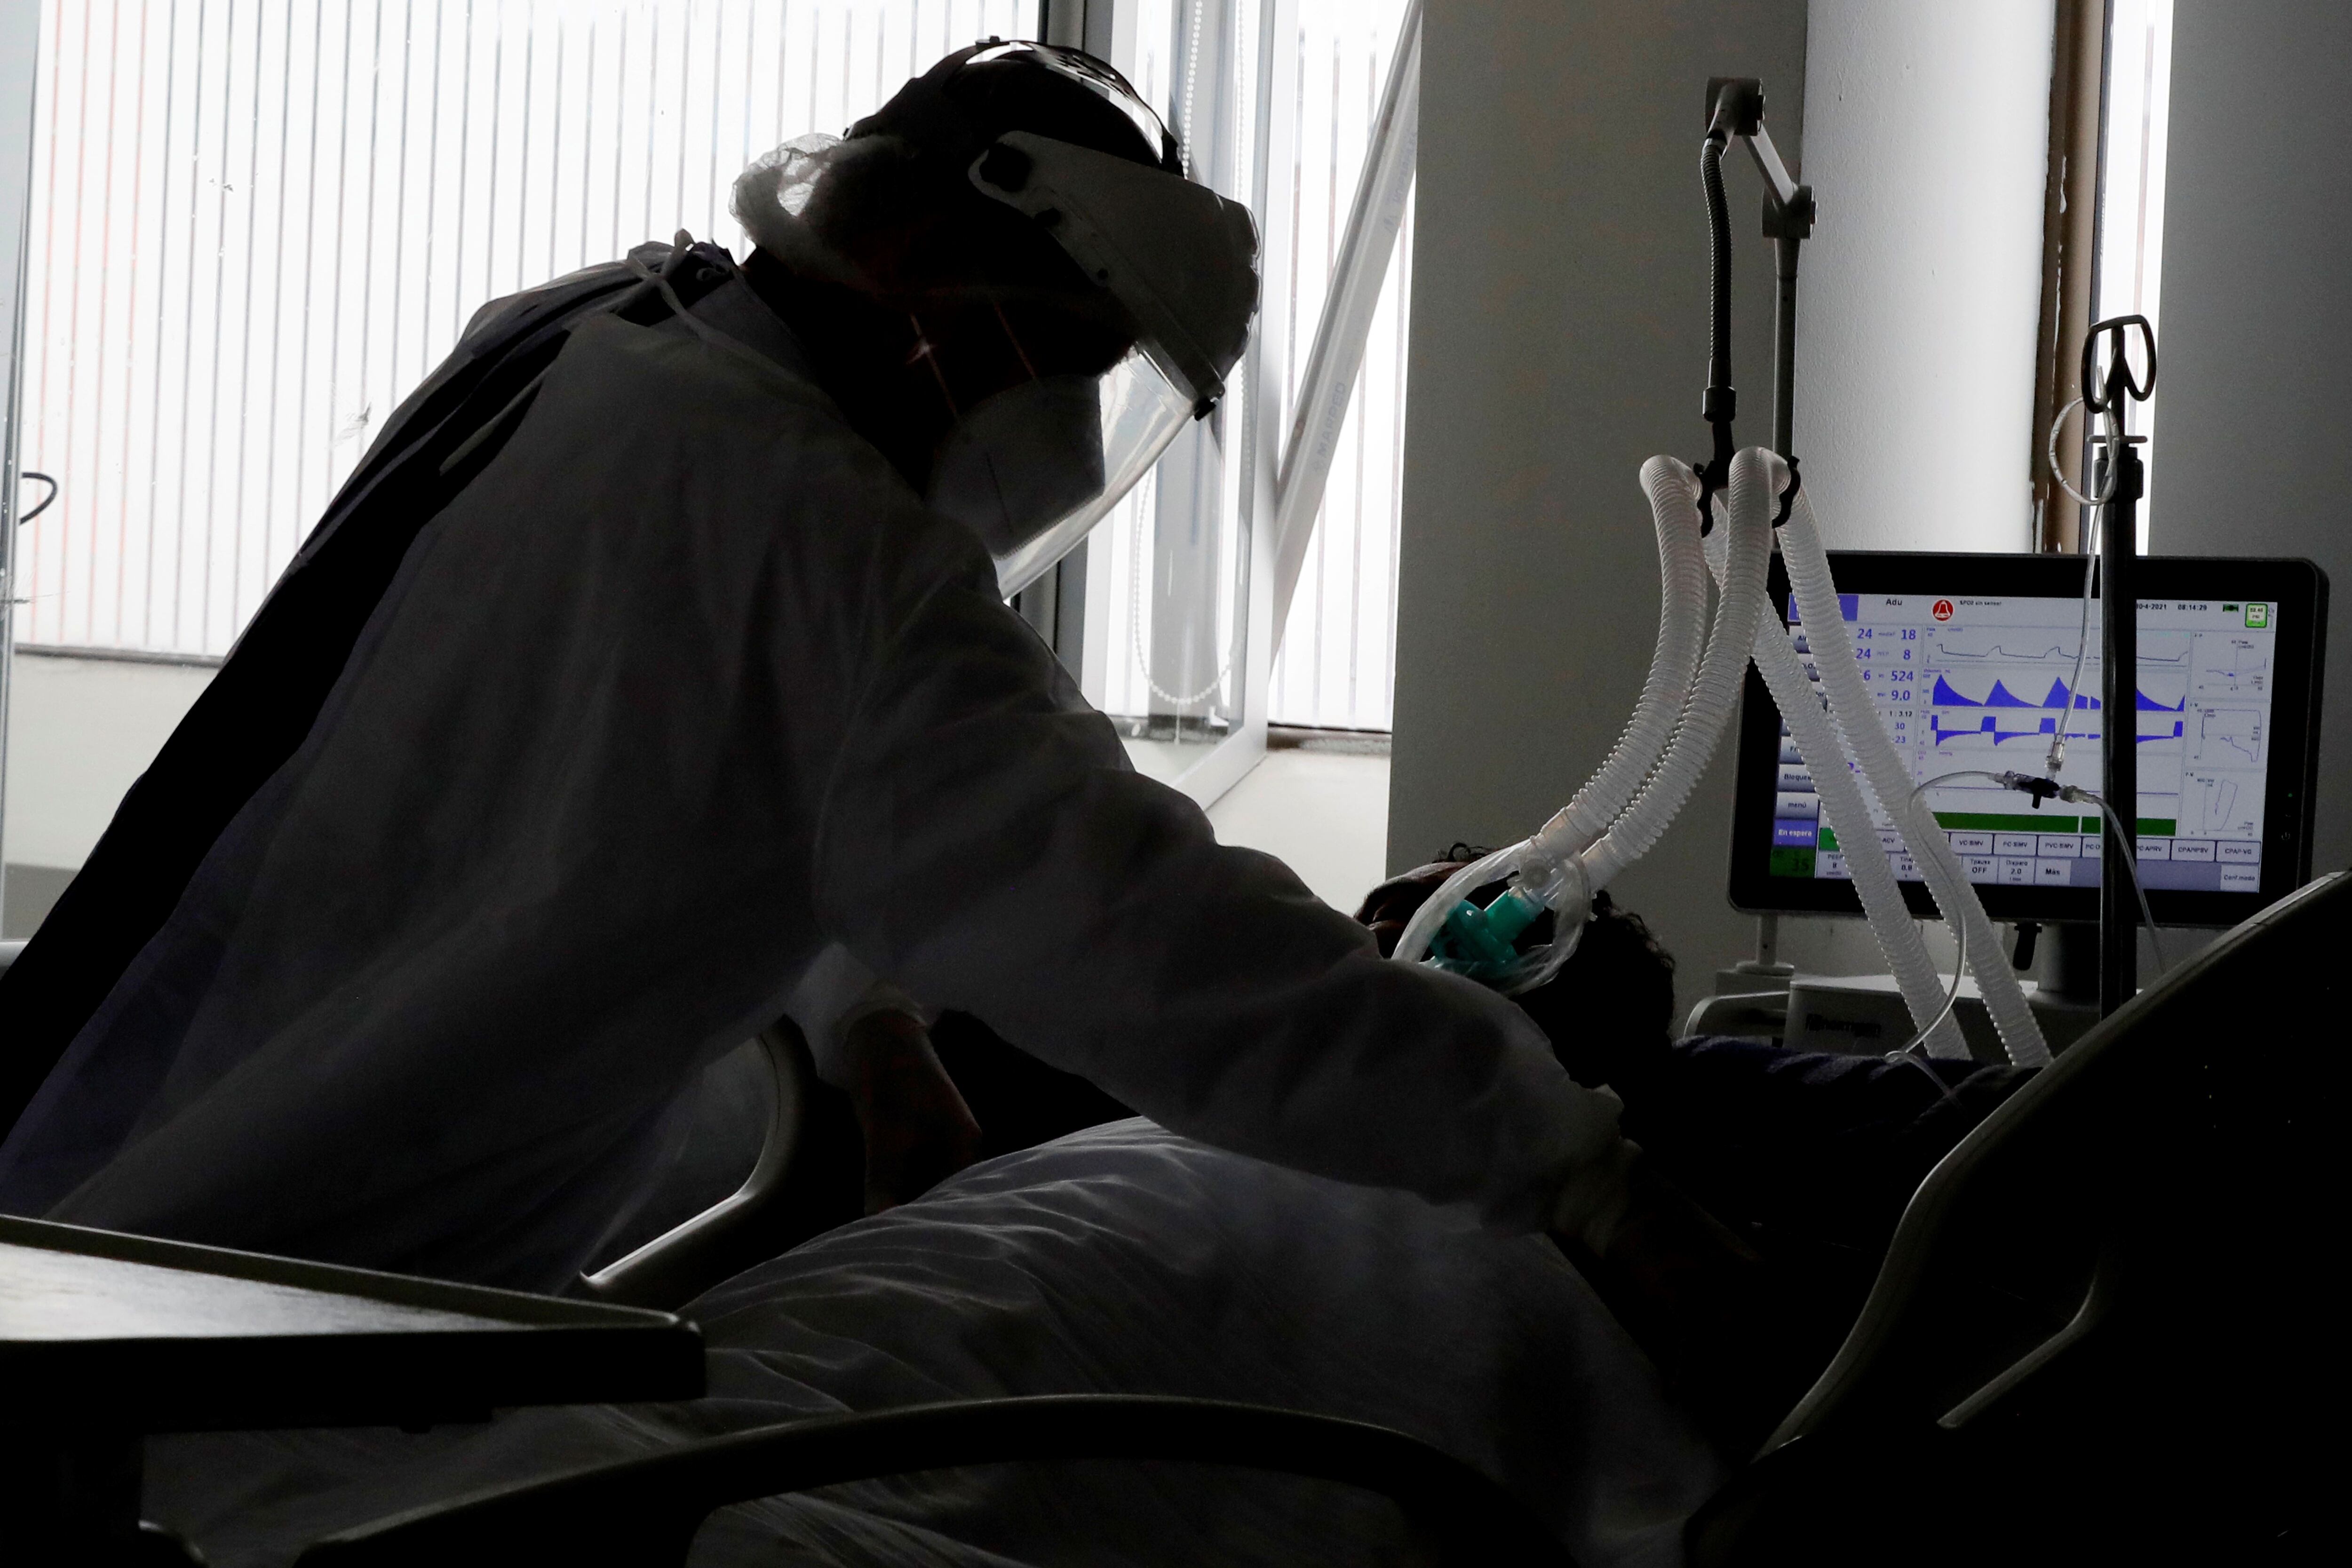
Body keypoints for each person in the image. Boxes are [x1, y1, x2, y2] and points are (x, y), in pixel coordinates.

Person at [0, 42, 1649, 1299]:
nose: (1068, 440)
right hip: (244, 1316)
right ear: (929, 266)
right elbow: (1173, 952)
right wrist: (1573, 1169)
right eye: (1062, 363)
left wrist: (866, 1018)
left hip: (84, 1170)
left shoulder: (593, 338)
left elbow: (669, 768)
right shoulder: (841, 555)